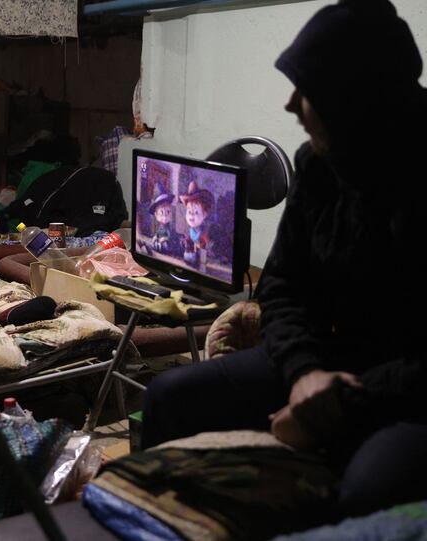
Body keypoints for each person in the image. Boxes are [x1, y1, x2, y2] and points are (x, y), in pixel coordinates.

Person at [141, 0, 427, 520]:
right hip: (322, 366)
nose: (292, 105)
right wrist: (304, 374)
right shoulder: (319, 167)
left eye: (309, 91)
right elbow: (283, 286)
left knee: (366, 492)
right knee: (168, 395)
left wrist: (341, 402)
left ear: (358, 100)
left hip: (406, 394)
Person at [178, 180, 214, 271]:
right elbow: (190, 238)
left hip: (200, 256)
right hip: (192, 254)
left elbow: (205, 244)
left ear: (204, 214)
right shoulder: (190, 230)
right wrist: (186, 241)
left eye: (196, 212)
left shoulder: (203, 232)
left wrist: (200, 246)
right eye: (189, 212)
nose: (191, 215)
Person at [148, 190, 182, 257]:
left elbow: (170, 238)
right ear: (156, 215)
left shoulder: (169, 229)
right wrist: (156, 238)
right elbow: (159, 234)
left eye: (168, 212)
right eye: (162, 212)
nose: (165, 216)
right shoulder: (160, 228)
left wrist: (165, 240)